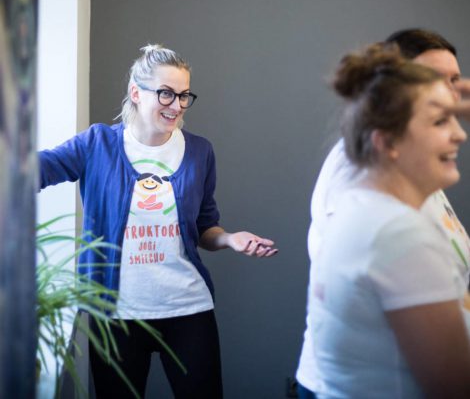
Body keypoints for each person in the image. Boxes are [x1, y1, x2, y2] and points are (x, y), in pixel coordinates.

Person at [39, 44, 278, 398]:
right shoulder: (97, 144)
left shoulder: (199, 151)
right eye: (166, 93)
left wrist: (229, 239)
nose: (176, 105)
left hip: (188, 309)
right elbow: (35, 169)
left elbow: (205, 227)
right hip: (117, 315)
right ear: (136, 93)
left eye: (183, 95)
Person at [296, 29, 470, 399]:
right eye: (432, 79)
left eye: (454, 81)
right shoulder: (393, 227)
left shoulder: (400, 183)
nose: (459, 133)